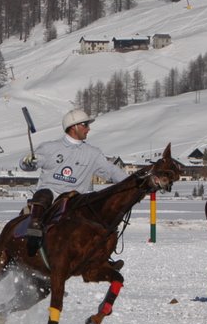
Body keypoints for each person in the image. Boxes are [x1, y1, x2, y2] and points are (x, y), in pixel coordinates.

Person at [22, 108, 128, 255]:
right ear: (73, 127)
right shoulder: (49, 148)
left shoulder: (93, 153)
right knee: (44, 193)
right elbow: (30, 164)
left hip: (77, 199)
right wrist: (28, 162)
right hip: (51, 197)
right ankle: (34, 230)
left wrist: (132, 181)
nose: (88, 129)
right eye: (85, 125)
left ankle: (100, 255)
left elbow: (111, 171)